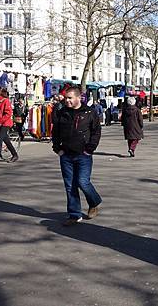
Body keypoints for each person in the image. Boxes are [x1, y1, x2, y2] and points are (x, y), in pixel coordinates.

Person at [52, 87, 102, 226]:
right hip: (66, 154)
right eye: (66, 98)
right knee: (70, 185)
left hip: (83, 154)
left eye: (70, 98)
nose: (67, 100)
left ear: (78, 98)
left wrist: (90, 149)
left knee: (82, 182)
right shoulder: (62, 112)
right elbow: (55, 131)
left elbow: (96, 132)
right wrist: (57, 148)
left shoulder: (89, 112)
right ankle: (74, 214)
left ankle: (94, 201)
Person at [0, 88, 19, 167]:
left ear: (0, 93)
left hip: (5, 124)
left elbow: (8, 114)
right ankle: (15, 155)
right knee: (6, 141)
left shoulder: (6, 101)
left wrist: (0, 121)